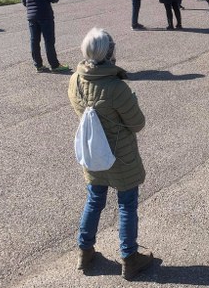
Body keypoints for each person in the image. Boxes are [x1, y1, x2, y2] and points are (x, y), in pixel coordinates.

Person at [67, 27, 154, 280]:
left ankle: (84, 250)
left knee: (95, 199)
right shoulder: (117, 88)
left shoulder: (75, 80)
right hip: (120, 155)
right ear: (109, 53)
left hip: (93, 151)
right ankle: (129, 257)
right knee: (127, 204)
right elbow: (137, 123)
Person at [20, 0, 70, 73]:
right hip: (45, 14)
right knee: (49, 40)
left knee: (34, 41)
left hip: (31, 16)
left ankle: (38, 65)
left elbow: (24, 2)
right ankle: (54, 65)